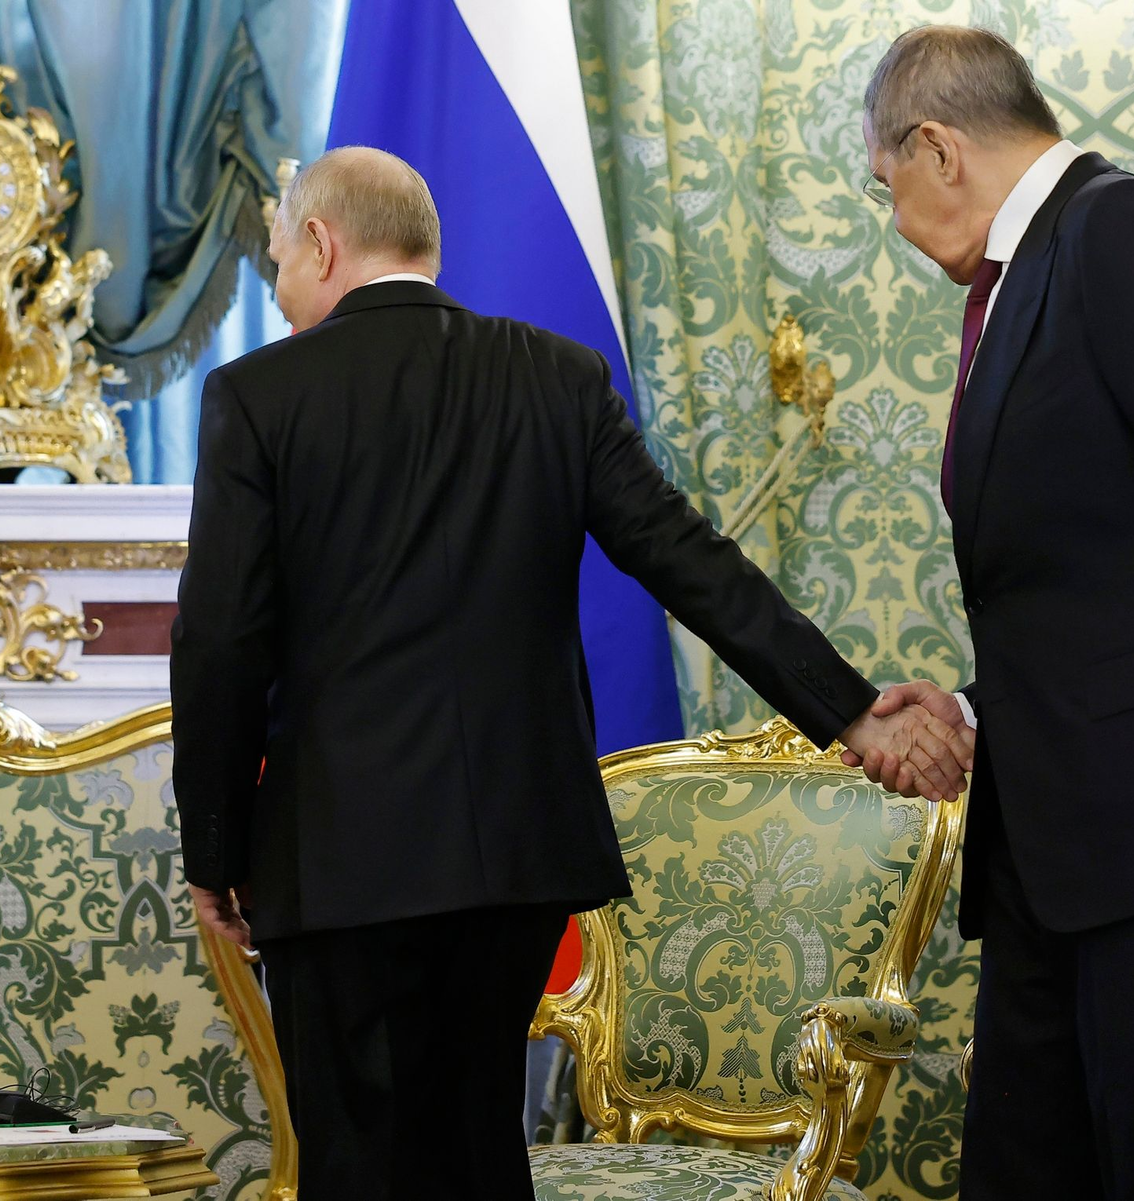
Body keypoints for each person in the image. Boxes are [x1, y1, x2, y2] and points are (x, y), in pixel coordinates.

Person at [170, 146, 972, 1200]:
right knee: (479, 1151)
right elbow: (693, 563)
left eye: (278, 261)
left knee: (357, 1162)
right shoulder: (556, 376)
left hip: (337, 858)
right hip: (515, 850)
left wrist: (217, 847)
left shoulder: (257, 396)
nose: (280, 296)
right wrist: (854, 712)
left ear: (320, 241)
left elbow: (220, 639)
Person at [853, 26, 1134, 1200]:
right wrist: (973, 704)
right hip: (1050, 843)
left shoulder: (1113, 231)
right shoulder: (1030, 271)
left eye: (889, 189)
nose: (900, 224)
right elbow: (1085, 581)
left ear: (938, 149)